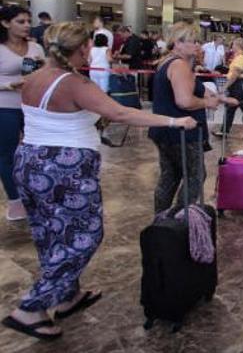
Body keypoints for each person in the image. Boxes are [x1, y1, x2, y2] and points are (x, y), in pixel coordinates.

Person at [2, 21, 197, 341]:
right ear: (82, 49)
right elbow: (122, 114)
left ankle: (67, 295)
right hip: (64, 168)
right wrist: (175, 120)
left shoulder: (34, 76)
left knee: (50, 231)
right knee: (85, 234)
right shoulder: (74, 83)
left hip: (30, 162)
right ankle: (31, 308)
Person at [150, 22, 237, 213]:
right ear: (178, 43)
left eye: (197, 41)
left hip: (165, 130)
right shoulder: (179, 65)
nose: (197, 45)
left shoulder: (168, 62)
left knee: (170, 175)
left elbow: (197, 88)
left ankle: (162, 218)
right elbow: (184, 101)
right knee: (196, 175)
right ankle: (180, 216)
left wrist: (219, 98)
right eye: (192, 41)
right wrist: (207, 103)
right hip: (181, 132)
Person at [0, 6, 45, 221]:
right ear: (6, 23)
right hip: (5, 106)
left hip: (32, 107)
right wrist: (9, 85)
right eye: (20, 21)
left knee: (37, 153)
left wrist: (45, 69)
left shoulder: (36, 47)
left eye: (28, 21)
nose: (27, 25)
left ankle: (36, 195)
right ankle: (15, 200)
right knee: (7, 154)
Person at [217, 37, 243, 140]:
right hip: (240, 86)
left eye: (234, 45)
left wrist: (225, 86)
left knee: (242, 110)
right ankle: (224, 131)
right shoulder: (242, 57)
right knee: (232, 109)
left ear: (238, 46)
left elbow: (235, 74)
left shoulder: (241, 58)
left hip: (239, 86)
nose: (232, 46)